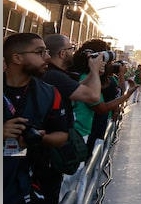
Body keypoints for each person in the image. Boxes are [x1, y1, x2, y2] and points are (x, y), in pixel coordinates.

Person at [3, 33, 70, 204]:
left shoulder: (50, 93)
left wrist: (39, 137)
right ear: (17, 58)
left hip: (29, 183)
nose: (47, 58)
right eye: (40, 52)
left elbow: (62, 135)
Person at [38, 34, 104, 204]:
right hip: (48, 151)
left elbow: (77, 88)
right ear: (61, 54)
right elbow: (93, 96)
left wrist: (92, 72)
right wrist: (95, 71)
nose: (73, 52)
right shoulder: (54, 76)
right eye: (70, 49)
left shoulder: (56, 75)